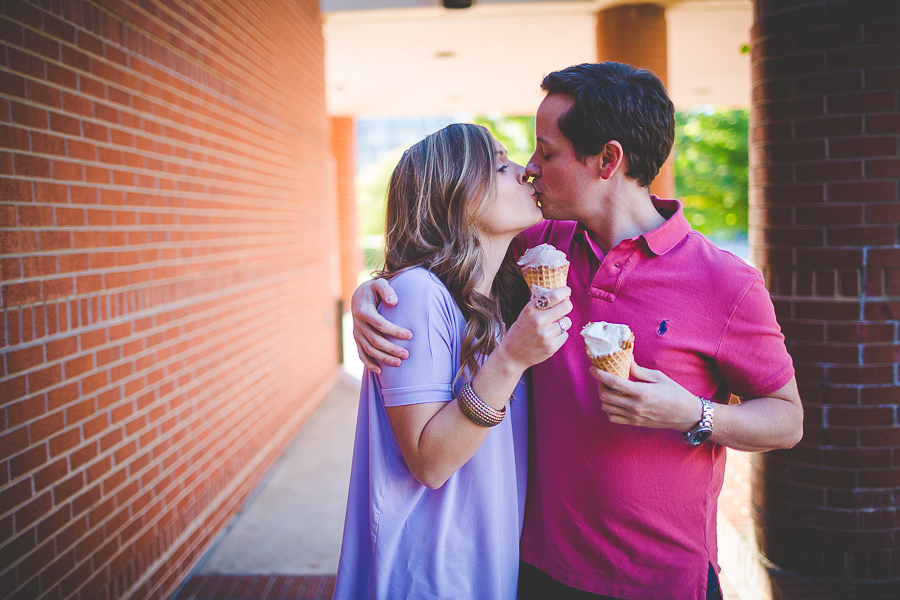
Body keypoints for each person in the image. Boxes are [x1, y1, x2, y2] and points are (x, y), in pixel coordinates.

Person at [351, 63, 803, 600]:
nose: (530, 168)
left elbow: (786, 419)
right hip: (536, 572)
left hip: (662, 580)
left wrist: (692, 413)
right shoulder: (536, 247)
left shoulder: (725, 282)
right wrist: (376, 293)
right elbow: (447, 247)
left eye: (547, 152)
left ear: (608, 160)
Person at [333, 123, 573, 600]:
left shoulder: (493, 304)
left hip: (482, 567)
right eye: (502, 166)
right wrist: (510, 361)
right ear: (458, 194)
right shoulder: (419, 295)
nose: (525, 172)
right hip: (429, 575)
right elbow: (430, 461)